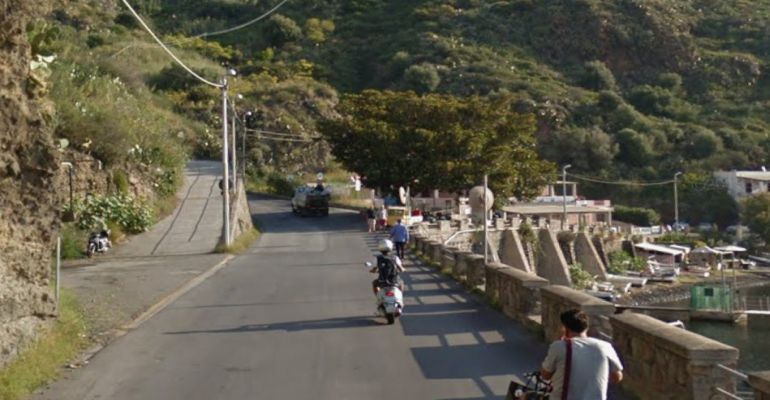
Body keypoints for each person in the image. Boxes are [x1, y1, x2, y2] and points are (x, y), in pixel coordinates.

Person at [541, 309, 623, 400]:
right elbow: (617, 377)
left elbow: (545, 375)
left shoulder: (559, 346)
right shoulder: (605, 346)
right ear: (586, 327)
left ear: (565, 328)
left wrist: (559, 337)